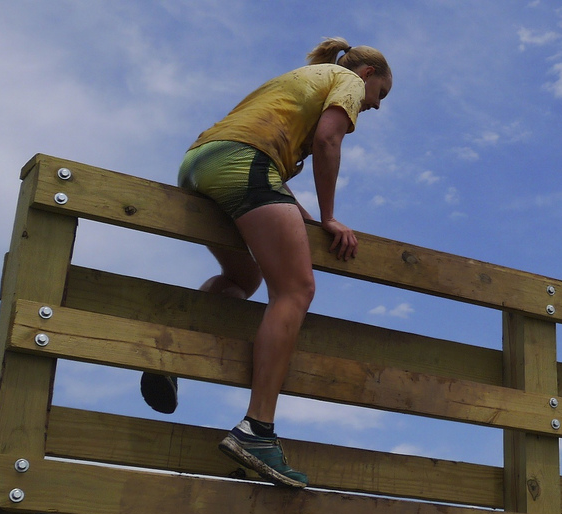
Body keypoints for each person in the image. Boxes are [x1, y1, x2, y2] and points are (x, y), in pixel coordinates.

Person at [140, 37, 392, 489]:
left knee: (242, 278)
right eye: (381, 97)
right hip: (245, 162)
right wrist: (331, 216)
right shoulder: (350, 80)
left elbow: (266, 159)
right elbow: (328, 140)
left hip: (201, 161)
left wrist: (303, 216)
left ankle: (170, 350)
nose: (375, 107)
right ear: (370, 76)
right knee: (296, 289)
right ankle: (257, 430)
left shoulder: (304, 79)